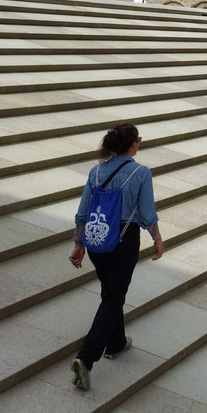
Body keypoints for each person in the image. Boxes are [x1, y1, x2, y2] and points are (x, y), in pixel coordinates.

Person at [69, 124, 164, 391]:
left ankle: (116, 342)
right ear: (133, 145)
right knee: (113, 297)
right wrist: (157, 238)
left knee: (111, 292)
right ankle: (85, 360)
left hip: (97, 239)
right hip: (123, 241)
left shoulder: (96, 170)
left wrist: (79, 244)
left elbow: (82, 213)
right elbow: (146, 213)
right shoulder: (140, 172)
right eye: (138, 141)